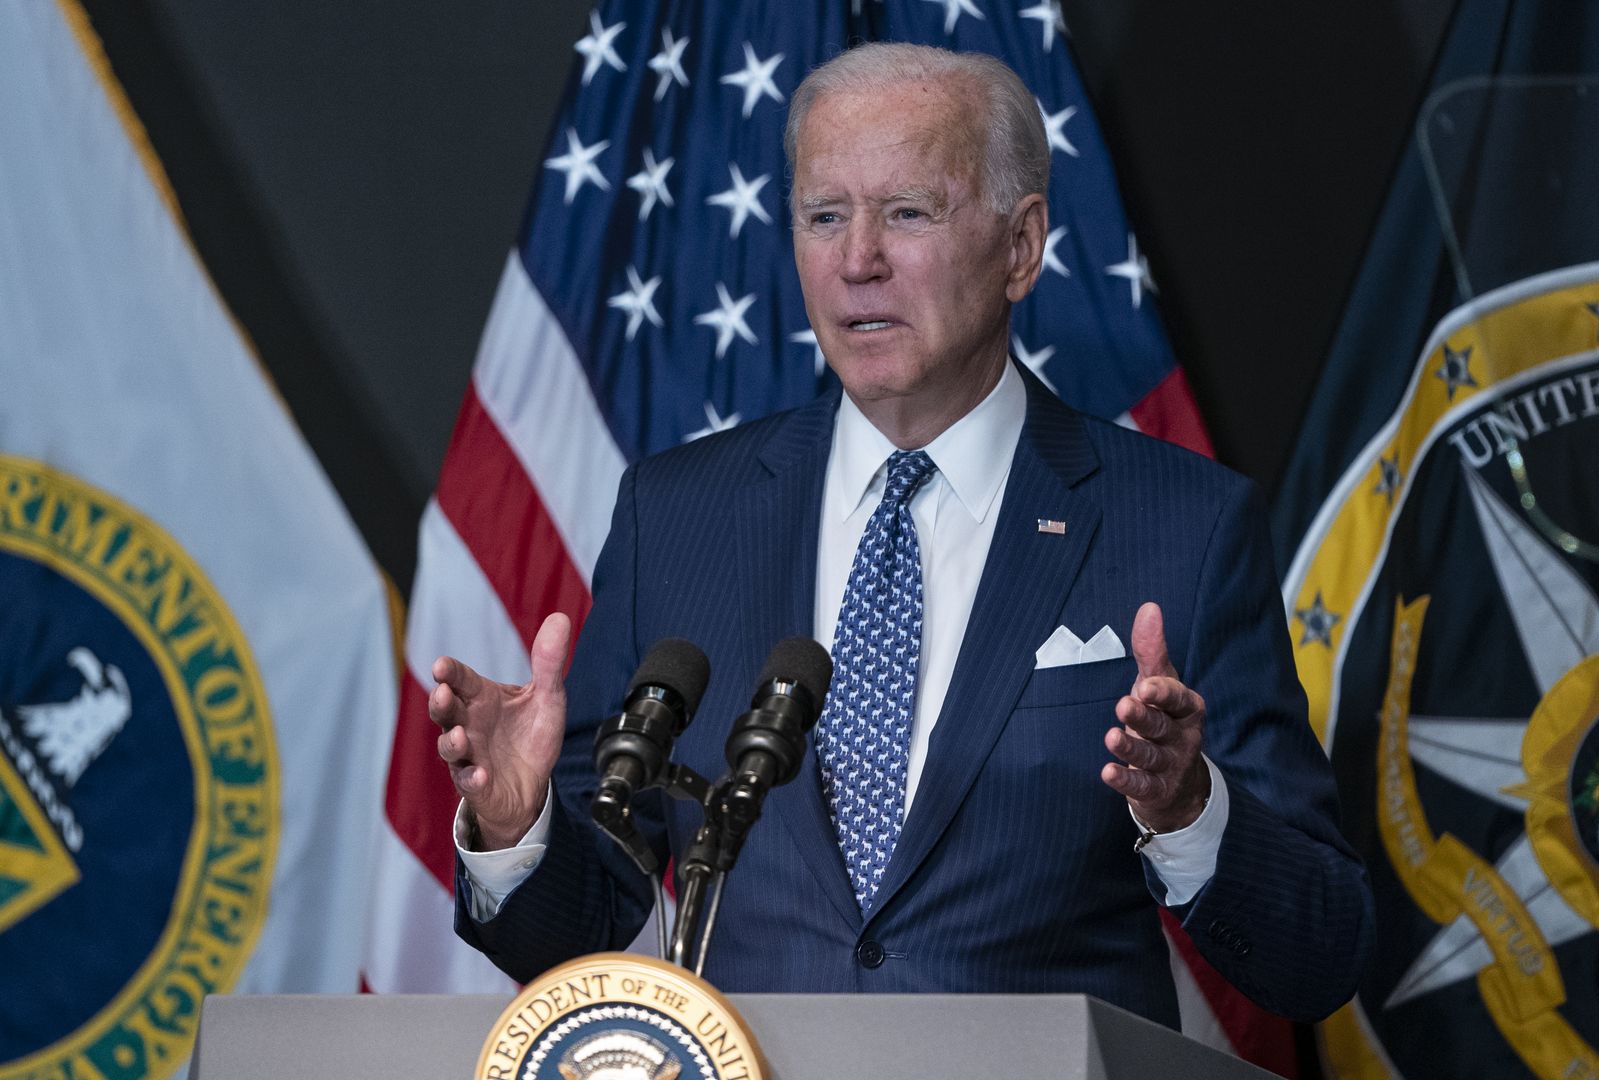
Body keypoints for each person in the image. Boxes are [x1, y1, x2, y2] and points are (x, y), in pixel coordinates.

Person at [434, 42, 1370, 1028]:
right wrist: (516, 825)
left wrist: (1186, 811)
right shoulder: (675, 517)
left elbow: (1320, 955)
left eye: (908, 212)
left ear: (1022, 247)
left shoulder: (1180, 525)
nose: (857, 260)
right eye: (824, 216)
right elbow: (578, 933)